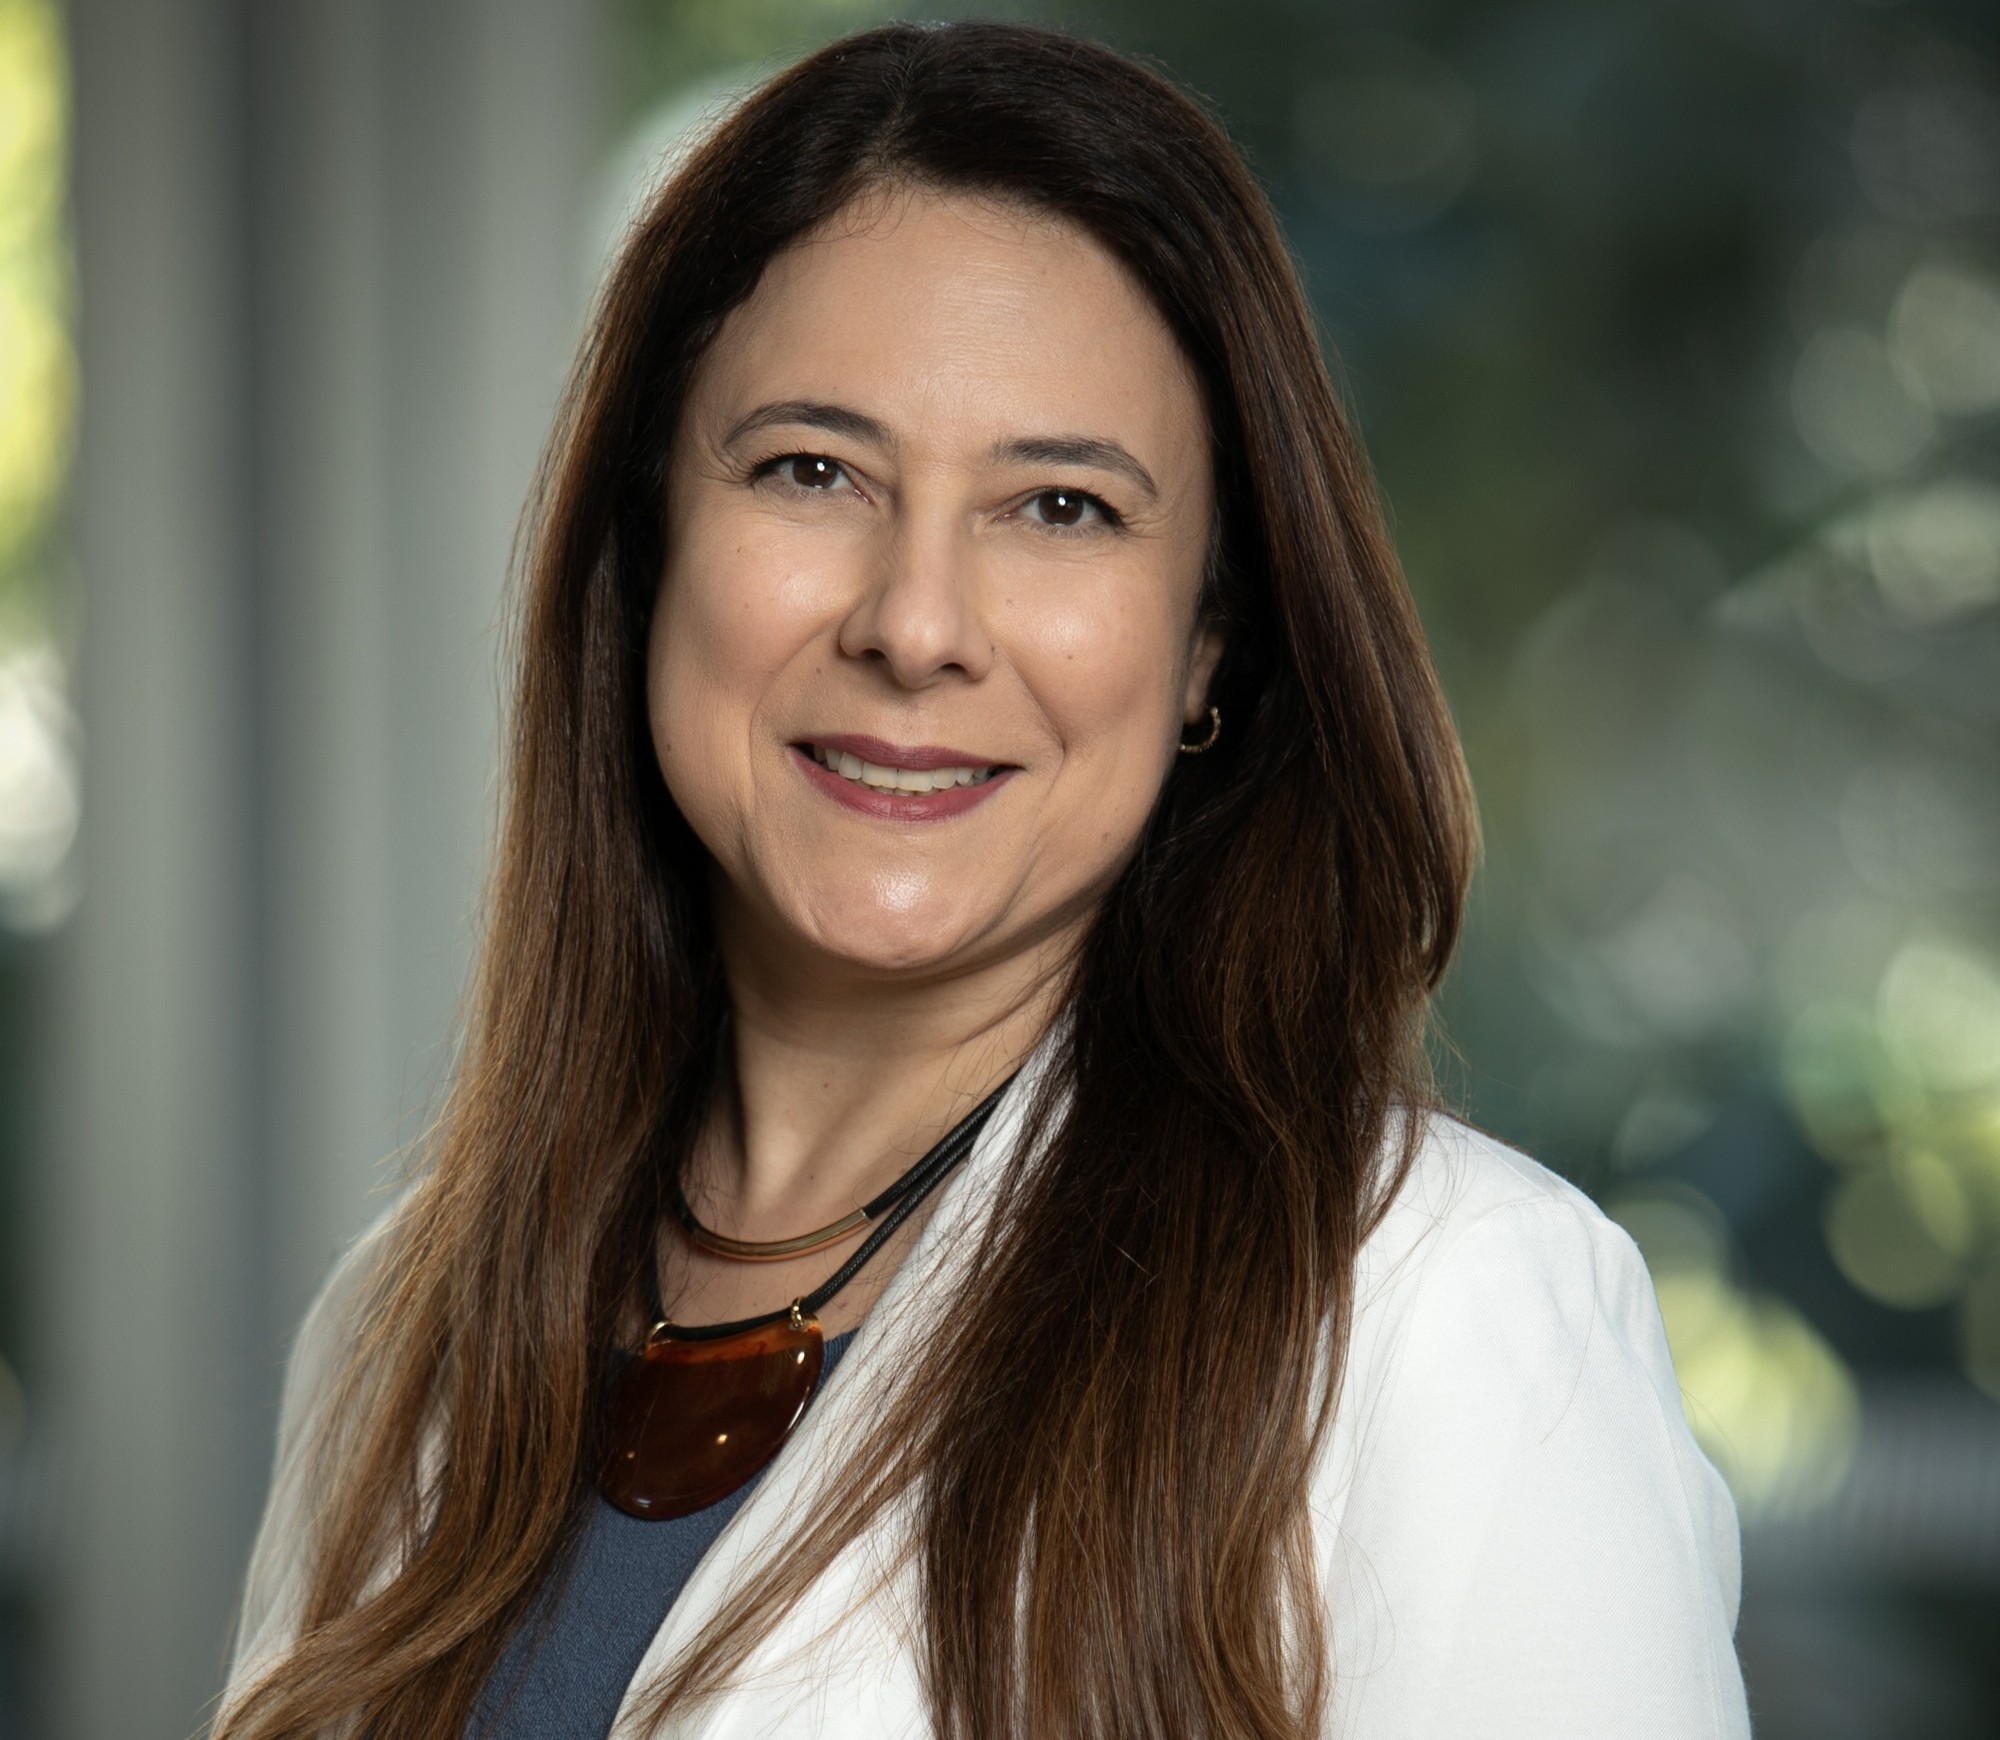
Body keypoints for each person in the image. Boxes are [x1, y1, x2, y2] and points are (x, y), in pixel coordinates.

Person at [215, 20, 1750, 1740]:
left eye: (1063, 509)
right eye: (812, 471)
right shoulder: (395, 1337)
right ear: (650, 551)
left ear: (1208, 646)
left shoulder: (1442, 1318)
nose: (917, 624)